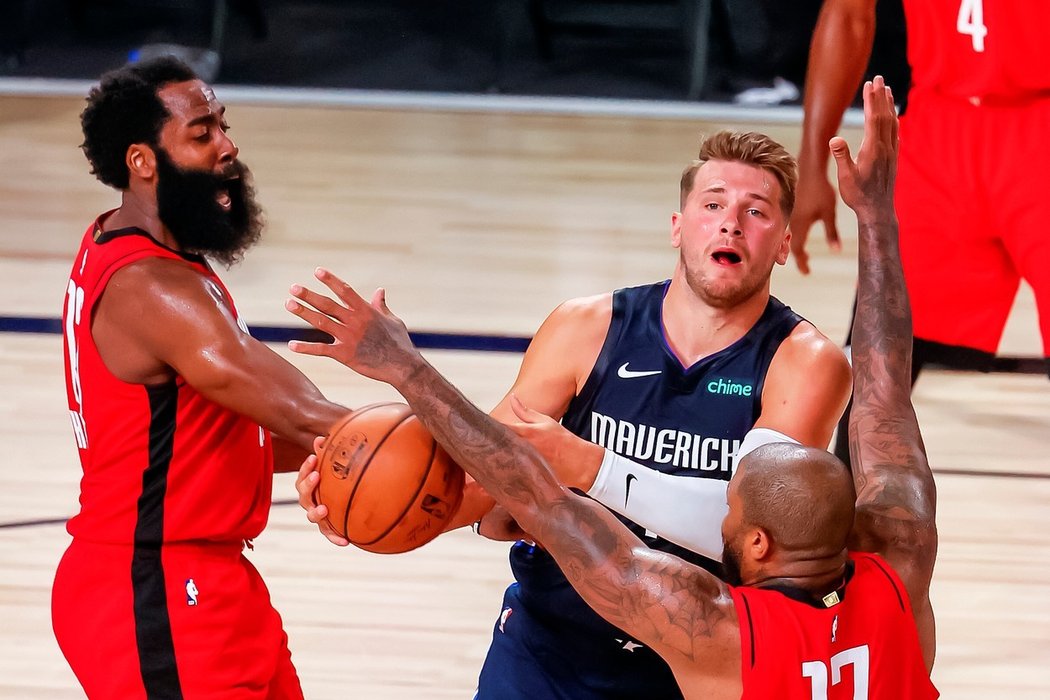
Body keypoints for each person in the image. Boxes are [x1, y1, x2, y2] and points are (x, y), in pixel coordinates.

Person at [286, 75, 938, 699]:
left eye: (756, 211)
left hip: (699, 659)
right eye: (712, 205)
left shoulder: (803, 360)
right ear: (678, 226)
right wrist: (371, 494)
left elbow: (758, 530)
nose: (730, 223)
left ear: (783, 243)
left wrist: (584, 466)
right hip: (549, 651)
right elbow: (492, 485)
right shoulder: (584, 328)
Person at [54, 57, 350, 699]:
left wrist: (360, 456)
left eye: (222, 125)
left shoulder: (138, 248)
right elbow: (306, 416)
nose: (228, 145)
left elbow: (218, 428)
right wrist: (477, 448)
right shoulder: (153, 289)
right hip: (155, 587)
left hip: (208, 579)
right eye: (203, 132)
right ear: (142, 161)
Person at [791, 0, 1050, 465]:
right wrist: (812, 164)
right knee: (877, 367)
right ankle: (844, 535)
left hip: (1040, 124)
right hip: (938, 128)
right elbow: (849, 14)